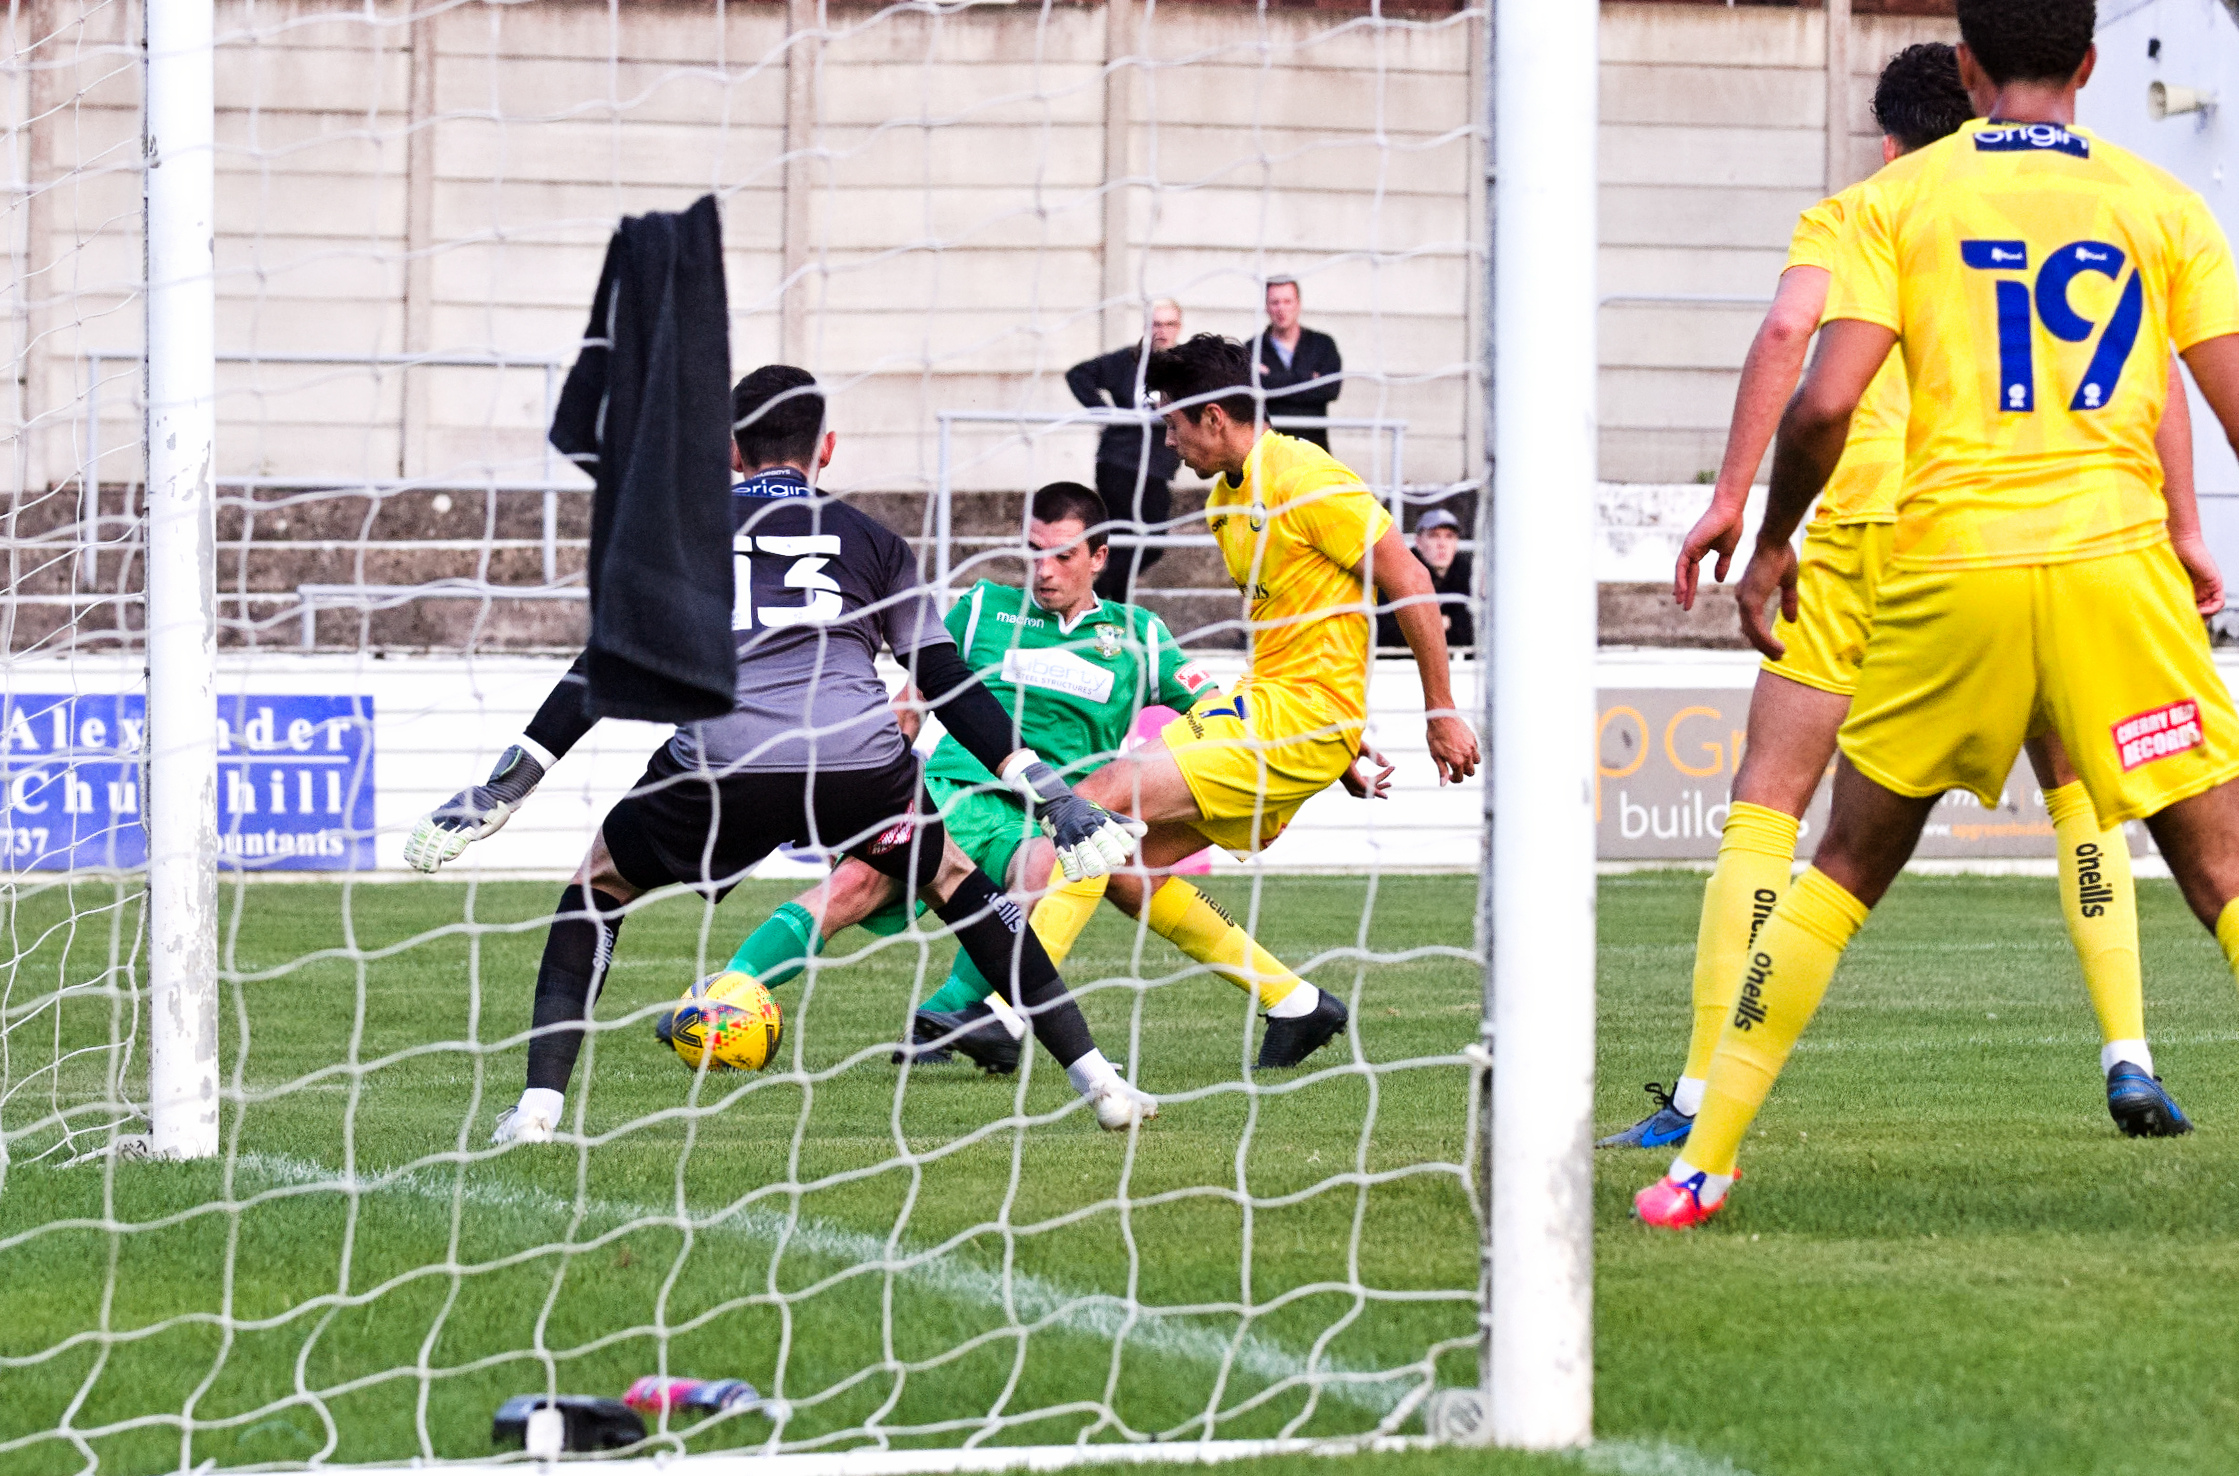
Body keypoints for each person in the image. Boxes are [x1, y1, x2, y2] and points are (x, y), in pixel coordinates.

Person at [1638, 0, 2239, 1228]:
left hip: (1943, 562)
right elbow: (2217, 397)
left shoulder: (1894, 205)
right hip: (2114, 570)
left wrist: (1765, 541)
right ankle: (2126, 1045)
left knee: (1844, 860)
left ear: (1966, 68)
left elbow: (1820, 401)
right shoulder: (2161, 205)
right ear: (2087, 63)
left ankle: (1703, 1159)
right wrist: (2184, 530)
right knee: (2216, 861)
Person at [403, 368, 1154, 1143]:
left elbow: (604, 666)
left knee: (598, 886)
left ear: (731, 450)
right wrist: (1043, 788)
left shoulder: (679, 531)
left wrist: (505, 787)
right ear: (826, 448)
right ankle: (1099, 1083)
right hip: (857, 762)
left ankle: (536, 1113)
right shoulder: (876, 541)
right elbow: (941, 678)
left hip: (723, 763)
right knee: (955, 884)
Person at [711, 480, 1395, 1075]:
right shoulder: (981, 608)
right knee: (855, 883)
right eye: (1033, 551)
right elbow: (912, 706)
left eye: (1062, 555)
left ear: (1098, 556)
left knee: (1070, 865)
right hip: (953, 793)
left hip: (1052, 815)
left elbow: (1221, 715)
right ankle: (729, 995)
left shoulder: (1138, 634)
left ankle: (965, 1014)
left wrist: (1332, 750)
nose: (1043, 570)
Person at [1002, 333, 1477, 1070]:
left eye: (1172, 424)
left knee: (1098, 800)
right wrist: (1340, 749)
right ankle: (1295, 1004)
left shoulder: (1304, 476)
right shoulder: (1225, 504)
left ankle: (1004, 1015)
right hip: (1281, 717)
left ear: (1215, 418)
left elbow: (1408, 579)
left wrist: (1438, 709)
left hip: (1298, 721)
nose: (1167, 441)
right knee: (1125, 871)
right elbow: (1304, 626)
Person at [1067, 301, 1185, 601]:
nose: (1162, 331)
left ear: (1179, 328)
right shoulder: (1127, 361)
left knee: (1149, 543)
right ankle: (1104, 600)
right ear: (1147, 327)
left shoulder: (1185, 366)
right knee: (1129, 540)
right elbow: (1078, 374)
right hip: (1119, 463)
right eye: (1157, 324)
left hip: (1157, 468)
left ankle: (1104, 600)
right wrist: (1105, 412)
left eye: (1169, 324)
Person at [1254, 277, 1342, 450]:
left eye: (1287, 301)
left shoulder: (1323, 344)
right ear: (1266, 306)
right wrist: (1308, 379)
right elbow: (1252, 391)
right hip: (1269, 452)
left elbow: (1330, 389)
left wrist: (1271, 380)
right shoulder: (1253, 348)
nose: (1281, 309)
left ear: (1298, 304)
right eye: (1275, 302)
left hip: (1314, 450)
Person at [1375, 509, 1474, 651]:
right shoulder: (1399, 573)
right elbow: (1387, 632)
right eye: (1434, 536)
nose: (1442, 544)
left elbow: (1472, 632)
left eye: (1449, 536)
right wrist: (1435, 625)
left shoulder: (1466, 574)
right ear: (1418, 542)